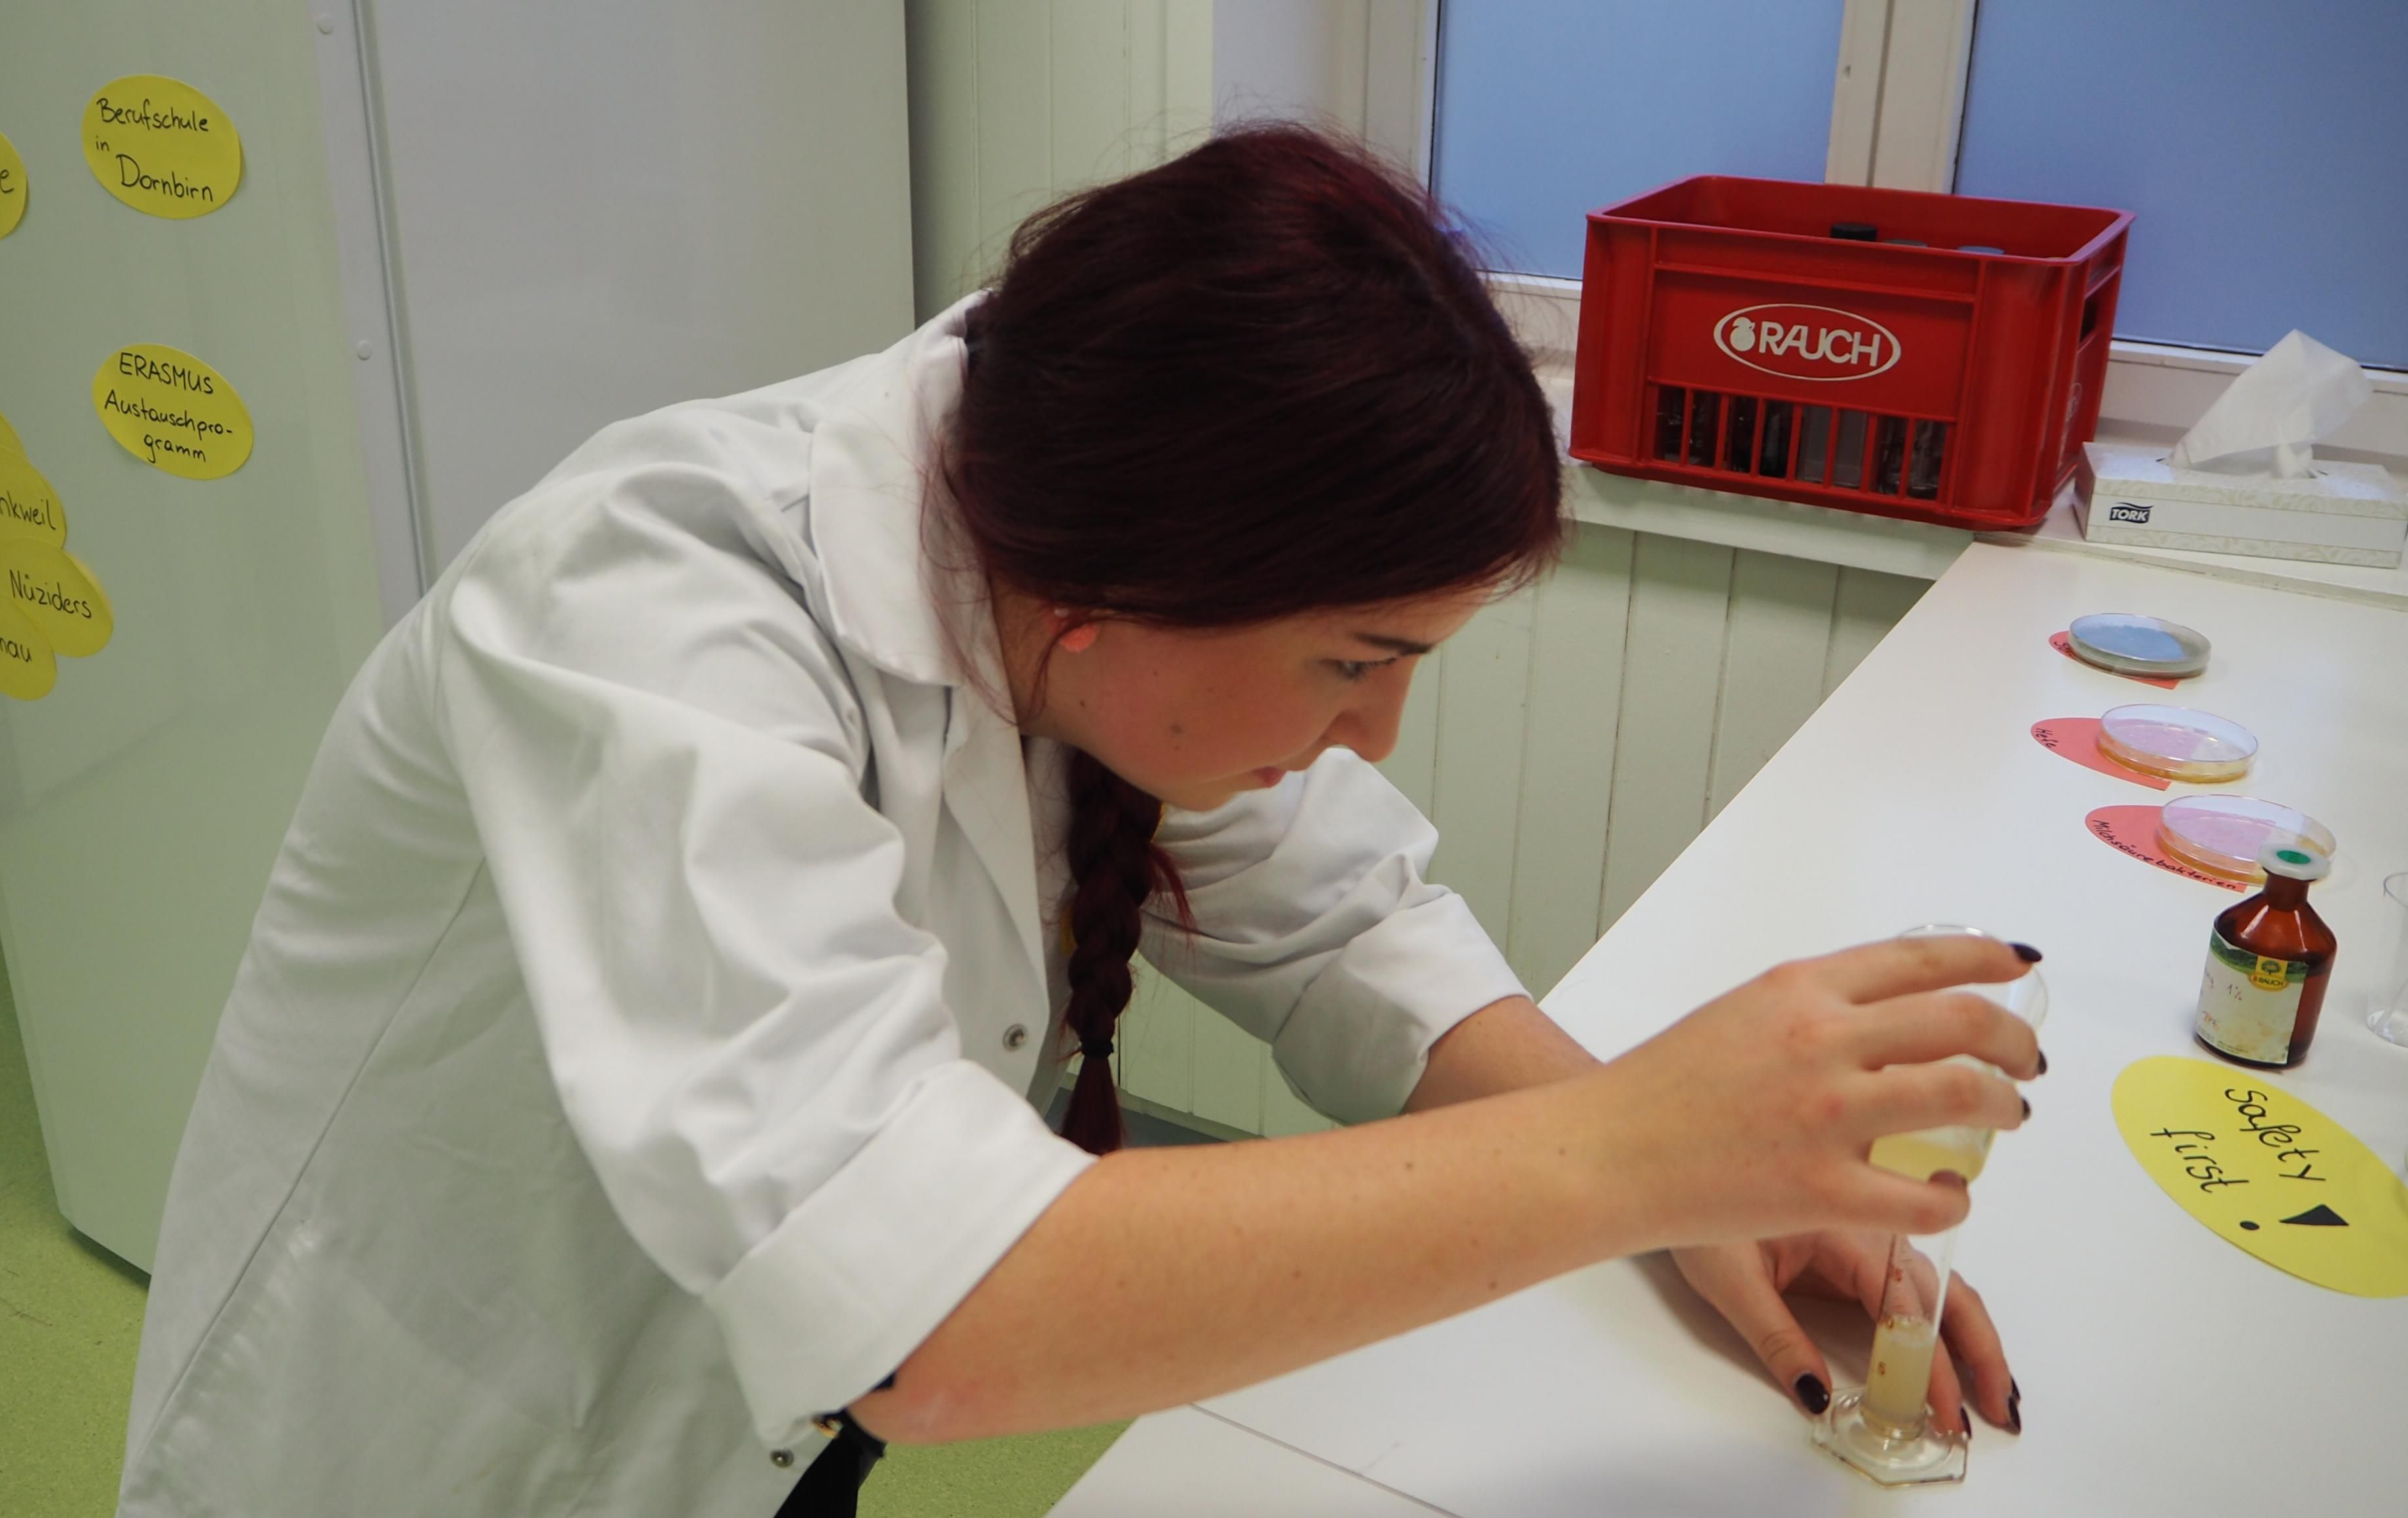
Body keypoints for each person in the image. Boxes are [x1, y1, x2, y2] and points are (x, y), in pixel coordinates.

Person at [115, 125, 2040, 1517]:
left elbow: (1350, 937)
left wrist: (1713, 1197)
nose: (1374, 732)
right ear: (1139, 586)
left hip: (741, 1429)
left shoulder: (1070, 546)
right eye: (1356, 659)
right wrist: (1636, 1152)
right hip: (438, 1432)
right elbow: (930, 1319)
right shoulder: (652, 605)